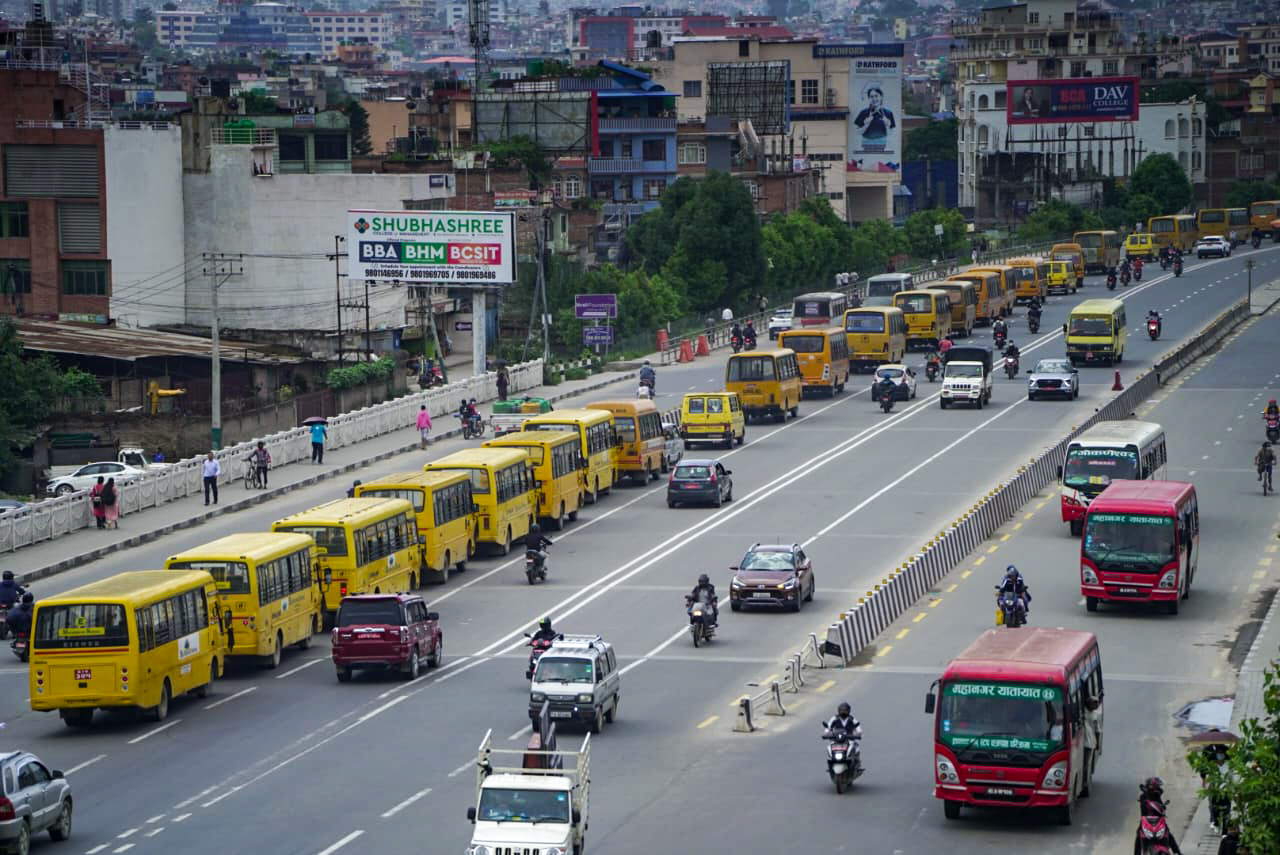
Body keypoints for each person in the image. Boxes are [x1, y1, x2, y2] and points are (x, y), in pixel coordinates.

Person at [825, 702, 864, 771]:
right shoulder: (834, 718)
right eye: (841, 710)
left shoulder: (851, 719)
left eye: (845, 710)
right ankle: (831, 763)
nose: (843, 712)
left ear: (848, 711)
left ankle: (857, 763)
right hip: (837, 738)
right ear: (838, 711)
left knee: (856, 747)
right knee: (830, 747)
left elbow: (858, 727)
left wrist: (858, 733)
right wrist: (827, 733)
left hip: (849, 738)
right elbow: (828, 727)